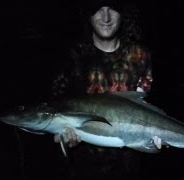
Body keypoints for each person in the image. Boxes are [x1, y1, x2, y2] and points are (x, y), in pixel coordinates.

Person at [51, 0, 153, 178]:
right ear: (88, 15)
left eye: (112, 8)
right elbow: (56, 112)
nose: (106, 17)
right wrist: (62, 138)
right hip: (83, 169)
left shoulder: (140, 55)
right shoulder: (73, 57)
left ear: (123, 14)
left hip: (130, 167)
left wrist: (152, 139)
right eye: (98, 9)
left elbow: (143, 107)